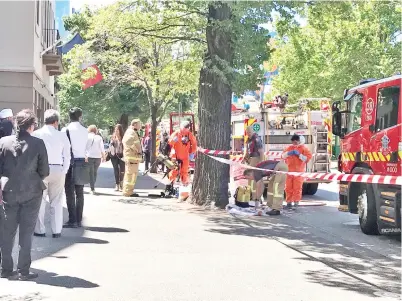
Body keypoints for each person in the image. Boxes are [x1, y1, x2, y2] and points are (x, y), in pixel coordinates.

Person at [0, 109, 49, 280]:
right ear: (32, 125)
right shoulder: (38, 143)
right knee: (26, 232)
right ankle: (23, 270)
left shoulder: (3, 142)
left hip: (9, 191)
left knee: (6, 231)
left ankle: (5, 268)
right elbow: (44, 170)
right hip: (32, 190)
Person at [32, 109, 71, 239]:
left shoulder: (36, 134)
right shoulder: (62, 135)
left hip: (40, 170)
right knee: (57, 200)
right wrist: (64, 170)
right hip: (57, 168)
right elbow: (67, 155)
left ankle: (40, 229)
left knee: (40, 200)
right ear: (56, 122)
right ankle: (56, 230)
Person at [62, 107, 89, 228]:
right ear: (80, 116)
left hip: (69, 163)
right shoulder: (85, 130)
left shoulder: (65, 130)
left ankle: (72, 219)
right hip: (82, 162)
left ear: (69, 116)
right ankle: (79, 219)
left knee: (69, 192)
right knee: (80, 192)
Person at [282, 134, 312, 209]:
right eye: (293, 142)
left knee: (297, 188)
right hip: (289, 171)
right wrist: (288, 153)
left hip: (299, 172)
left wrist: (299, 155)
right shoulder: (289, 148)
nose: (294, 144)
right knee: (288, 187)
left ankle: (296, 202)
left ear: (299, 141)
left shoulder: (304, 149)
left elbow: (307, 159)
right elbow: (282, 156)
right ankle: (288, 202)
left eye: (295, 142)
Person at [122, 119, 143, 197]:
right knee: (131, 175)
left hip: (132, 158)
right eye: (139, 124)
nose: (140, 126)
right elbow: (131, 143)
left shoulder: (130, 132)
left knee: (130, 175)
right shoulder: (131, 132)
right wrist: (138, 151)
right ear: (134, 124)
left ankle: (128, 191)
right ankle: (128, 192)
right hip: (132, 158)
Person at [243, 125, 264, 200]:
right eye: (247, 132)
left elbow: (261, 151)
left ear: (253, 131)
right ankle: (253, 197)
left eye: (249, 132)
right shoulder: (248, 139)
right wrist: (244, 159)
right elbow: (247, 152)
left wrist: (261, 162)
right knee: (251, 179)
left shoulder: (256, 139)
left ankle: (255, 198)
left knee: (252, 178)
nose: (248, 133)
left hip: (256, 159)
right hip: (250, 160)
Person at [86, 125, 105, 195]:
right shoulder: (99, 137)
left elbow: (84, 147)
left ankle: (92, 188)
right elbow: (102, 148)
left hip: (89, 157)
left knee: (91, 172)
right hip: (98, 157)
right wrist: (104, 156)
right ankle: (92, 186)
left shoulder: (86, 136)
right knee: (95, 172)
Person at [109, 124, 125, 191]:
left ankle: (121, 184)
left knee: (122, 170)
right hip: (114, 156)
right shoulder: (113, 137)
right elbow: (110, 147)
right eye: (115, 130)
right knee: (116, 170)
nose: (116, 131)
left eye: (117, 130)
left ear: (120, 130)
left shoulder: (123, 138)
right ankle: (117, 185)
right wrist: (111, 144)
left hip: (122, 155)